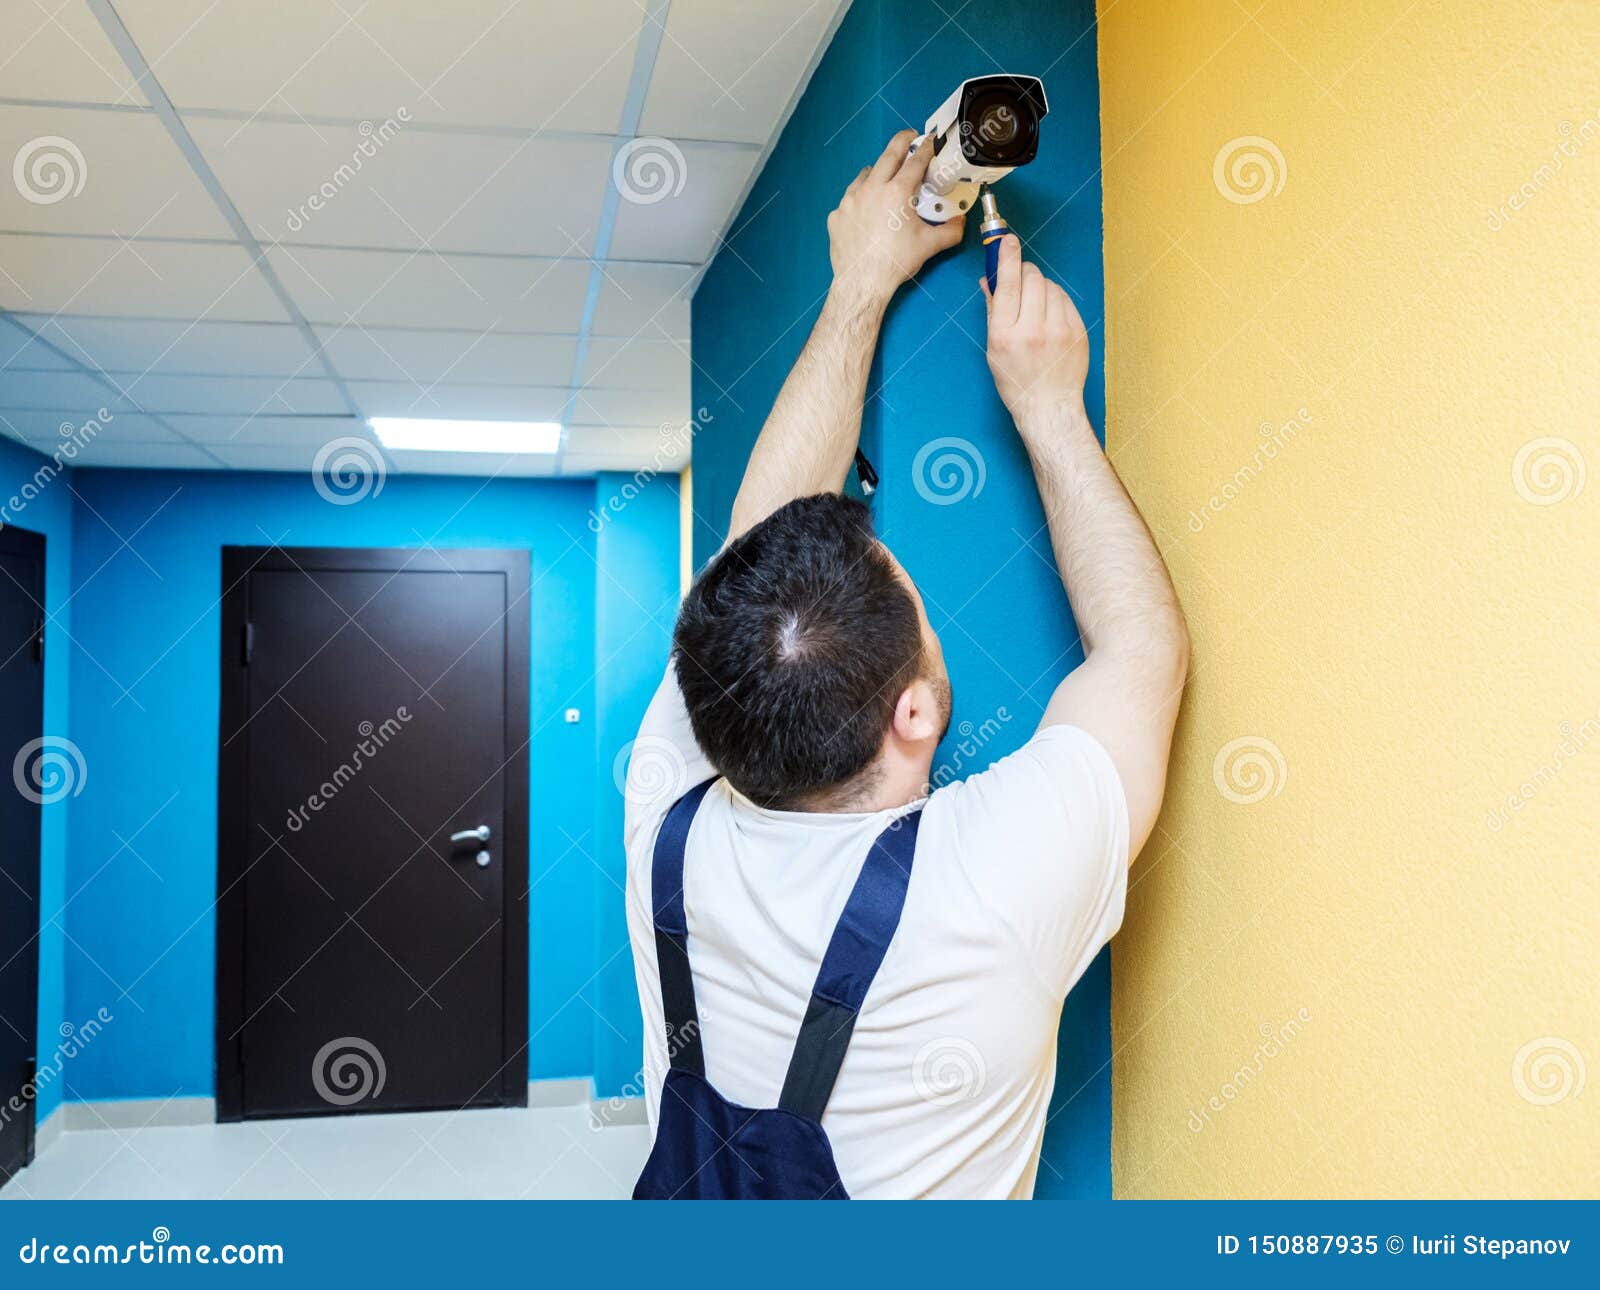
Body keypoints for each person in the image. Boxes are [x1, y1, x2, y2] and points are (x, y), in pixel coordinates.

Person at [624, 129, 1189, 1199]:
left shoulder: (666, 815)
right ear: (917, 714)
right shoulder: (993, 885)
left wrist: (860, 282)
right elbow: (1142, 649)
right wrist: (1050, 407)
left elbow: (760, 547)